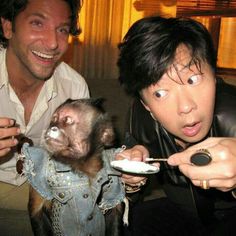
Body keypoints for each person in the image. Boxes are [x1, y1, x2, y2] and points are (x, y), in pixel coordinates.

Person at [116, 16, 236, 235]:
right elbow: (130, 196)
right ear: (146, 105)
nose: (185, 107)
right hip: (183, 213)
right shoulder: (139, 119)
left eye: (192, 80)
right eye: (160, 93)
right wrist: (130, 181)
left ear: (214, 76)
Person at [0, 0, 89, 210]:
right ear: (8, 27)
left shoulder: (74, 89)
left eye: (62, 29)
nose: (52, 43)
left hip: (43, 196)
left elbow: (79, 164)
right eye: (37, 23)